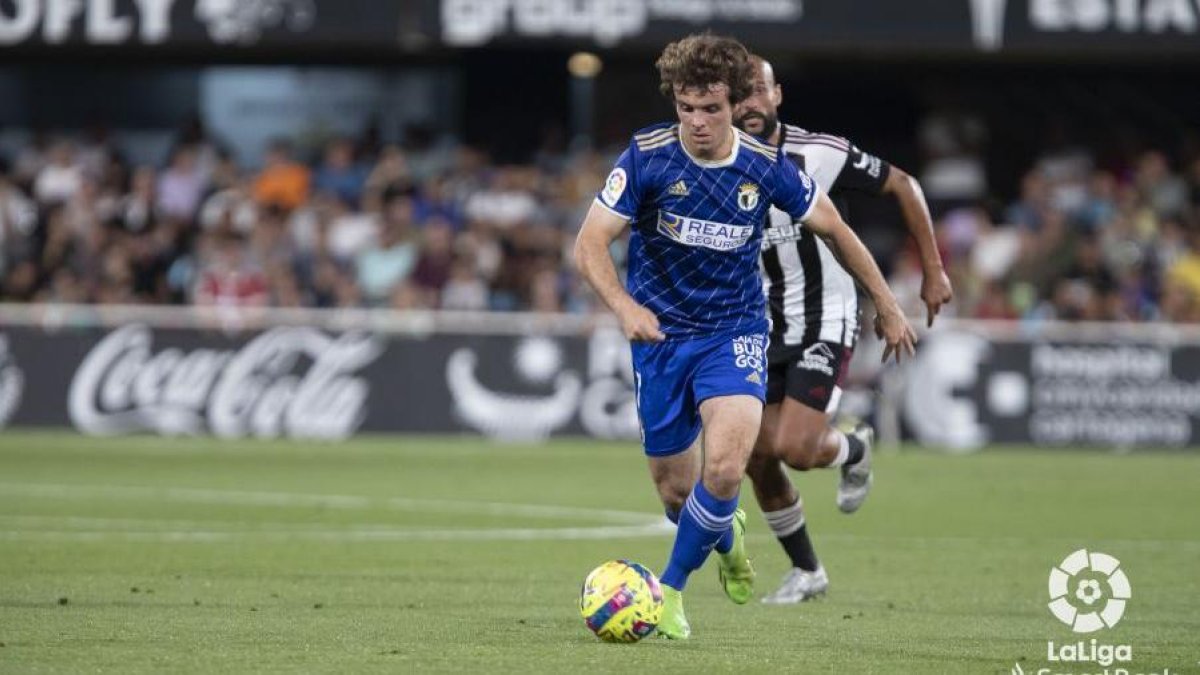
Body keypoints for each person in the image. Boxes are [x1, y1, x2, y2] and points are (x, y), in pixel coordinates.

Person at [573, 35, 917, 639]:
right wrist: (625, 308)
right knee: (679, 494)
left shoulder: (764, 167)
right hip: (658, 339)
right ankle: (726, 537)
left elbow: (835, 228)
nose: (698, 122)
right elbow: (590, 242)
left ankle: (669, 595)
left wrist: (886, 303)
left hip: (734, 332)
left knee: (728, 469)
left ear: (734, 104)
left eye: (710, 108)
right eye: (686, 108)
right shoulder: (647, 157)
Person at [734, 55, 954, 604]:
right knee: (755, 455)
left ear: (777, 94)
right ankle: (807, 571)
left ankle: (852, 448)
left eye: (757, 91)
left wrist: (932, 268)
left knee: (798, 450)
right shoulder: (718, 163)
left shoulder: (821, 154)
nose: (749, 105)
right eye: (738, 96)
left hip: (823, 320)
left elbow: (903, 185)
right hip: (756, 327)